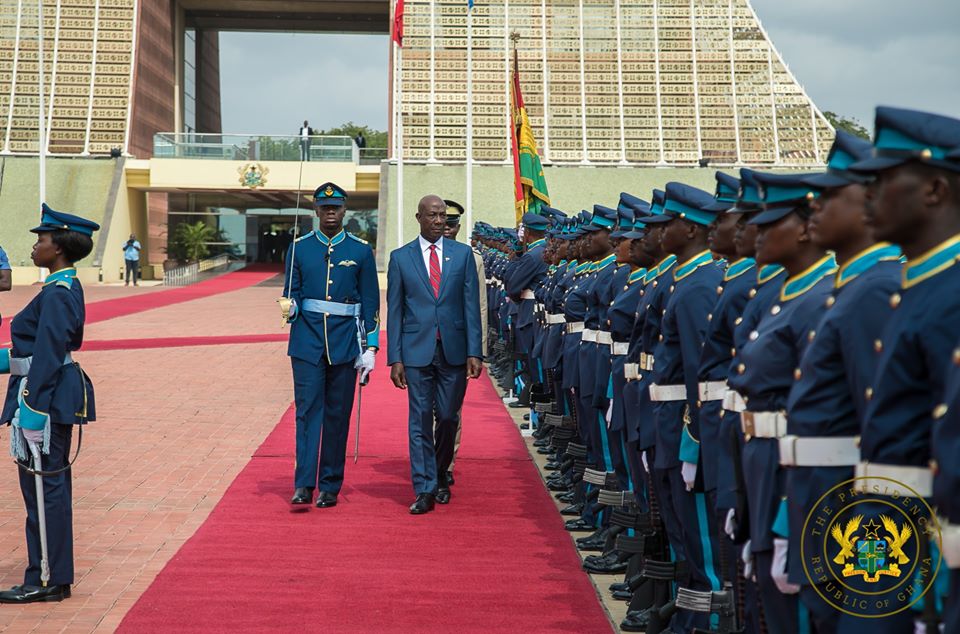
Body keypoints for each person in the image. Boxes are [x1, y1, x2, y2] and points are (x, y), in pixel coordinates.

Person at [0, 204, 98, 604]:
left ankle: (46, 579)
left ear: (57, 247)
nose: (34, 247)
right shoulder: (59, 288)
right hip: (45, 389)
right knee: (45, 489)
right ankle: (51, 572)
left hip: (44, 396)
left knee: (44, 491)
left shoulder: (58, 293)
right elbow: (35, 349)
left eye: (40, 240)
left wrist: (33, 408)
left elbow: (49, 352)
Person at [282, 182, 380, 508]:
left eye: (335, 207)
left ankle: (330, 485)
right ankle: (303, 484)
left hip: (344, 343)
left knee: (338, 415)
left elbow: (370, 302)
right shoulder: (299, 247)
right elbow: (291, 292)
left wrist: (371, 347)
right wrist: (291, 307)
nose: (330, 213)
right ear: (315, 210)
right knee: (307, 413)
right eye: (325, 208)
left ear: (344, 210)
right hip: (307, 342)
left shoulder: (360, 250)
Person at [387, 195, 483, 515]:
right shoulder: (401, 258)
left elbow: (471, 306)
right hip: (416, 352)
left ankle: (442, 471)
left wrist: (475, 351)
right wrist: (395, 357)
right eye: (433, 215)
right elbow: (396, 311)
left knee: (446, 417)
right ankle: (425, 487)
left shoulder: (463, 255)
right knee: (418, 421)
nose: (440, 221)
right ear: (419, 218)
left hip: (453, 351)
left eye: (443, 215)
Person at [437, 199, 487, 486]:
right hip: (427, 344)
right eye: (444, 222)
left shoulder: (472, 258)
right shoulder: (420, 253)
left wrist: (476, 350)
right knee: (428, 410)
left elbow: (479, 306)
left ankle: (447, 462)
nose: (447, 228)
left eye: (453, 224)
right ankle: (430, 463)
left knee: (450, 410)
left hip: (456, 345)